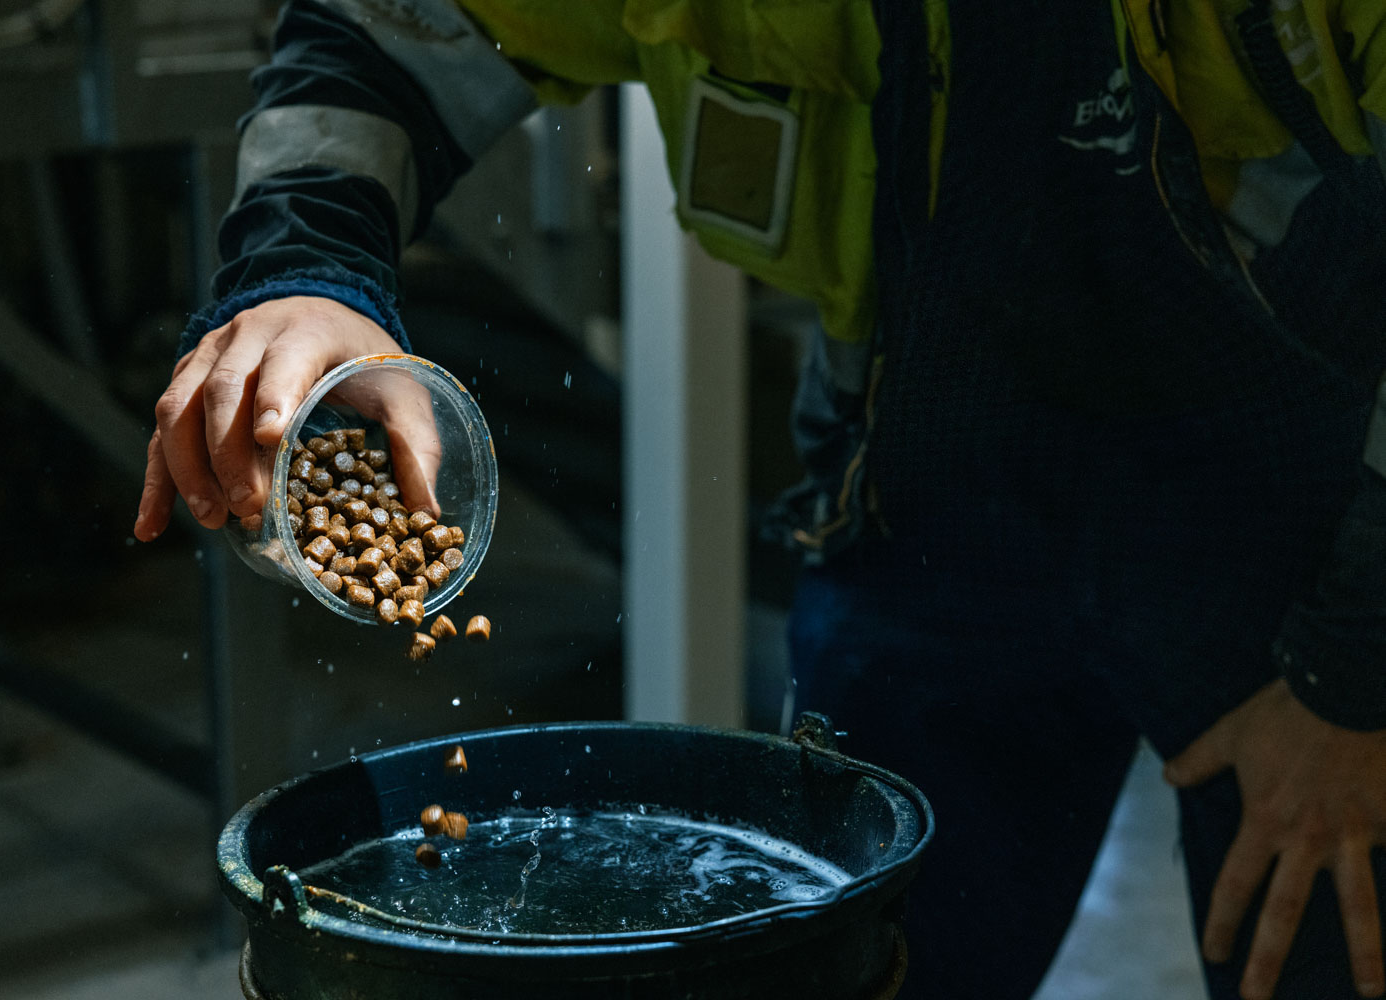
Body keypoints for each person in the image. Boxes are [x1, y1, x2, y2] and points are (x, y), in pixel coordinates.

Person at [133, 1, 1386, 996]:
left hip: (1312, 546)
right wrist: (307, 265)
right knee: (842, 956)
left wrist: (1356, 668)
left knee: (1327, 943)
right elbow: (384, 30)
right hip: (930, 516)